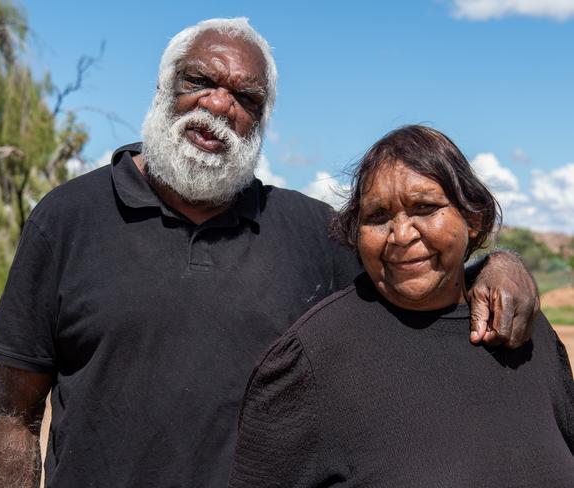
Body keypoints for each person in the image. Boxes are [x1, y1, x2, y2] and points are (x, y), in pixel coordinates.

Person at [0, 19, 537, 488]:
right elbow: (15, 414)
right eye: (199, 80)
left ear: (261, 121)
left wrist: (497, 263)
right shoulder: (67, 218)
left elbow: (414, 279)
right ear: (162, 89)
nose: (219, 105)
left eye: (246, 97)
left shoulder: (311, 230)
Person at [228, 125, 574, 488]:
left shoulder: (521, 328)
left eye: (424, 208)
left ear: (473, 220)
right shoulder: (312, 361)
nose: (402, 235)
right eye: (377, 216)